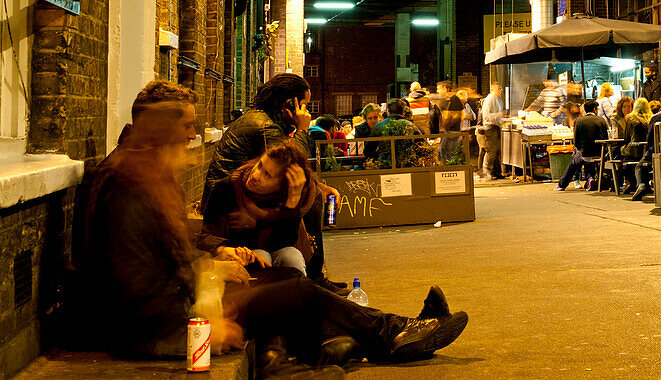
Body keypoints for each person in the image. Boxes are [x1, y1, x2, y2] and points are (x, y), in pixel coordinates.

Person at [79, 80, 468, 376]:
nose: (193, 135)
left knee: (284, 275)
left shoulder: (146, 171)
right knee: (294, 288)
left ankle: (323, 348)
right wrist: (203, 319)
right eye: (187, 126)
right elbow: (134, 285)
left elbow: (168, 256)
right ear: (161, 126)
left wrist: (214, 260)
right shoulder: (129, 183)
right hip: (166, 326)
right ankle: (384, 335)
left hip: (185, 304)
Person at [203, 73, 345, 294]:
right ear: (290, 103)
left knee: (314, 194)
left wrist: (319, 185)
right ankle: (315, 276)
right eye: (303, 105)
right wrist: (303, 129)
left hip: (250, 199)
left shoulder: (264, 119)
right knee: (313, 197)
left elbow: (288, 168)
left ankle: (311, 281)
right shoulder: (264, 125)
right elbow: (287, 163)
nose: (305, 112)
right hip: (235, 201)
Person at [199, 142, 316, 277]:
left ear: (282, 186)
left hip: (277, 253)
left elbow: (285, 242)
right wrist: (232, 246)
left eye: (267, 175)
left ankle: (299, 295)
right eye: (259, 165)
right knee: (261, 255)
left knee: (291, 255)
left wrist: (293, 201)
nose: (255, 175)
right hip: (238, 256)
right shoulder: (227, 188)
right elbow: (207, 236)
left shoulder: (290, 196)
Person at [553, 100, 608, 191]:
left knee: (573, 163)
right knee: (588, 162)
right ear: (595, 109)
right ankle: (590, 179)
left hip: (585, 154)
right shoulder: (602, 120)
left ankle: (561, 185)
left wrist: (580, 150)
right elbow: (606, 137)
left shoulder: (579, 121)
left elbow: (576, 141)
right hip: (600, 154)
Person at [372, 99, 425, 168]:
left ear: (388, 112)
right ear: (403, 114)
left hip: (384, 167)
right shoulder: (411, 126)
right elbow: (423, 147)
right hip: (408, 167)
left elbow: (369, 150)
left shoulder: (378, 126)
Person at [618, 97, 652, 194]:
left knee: (620, 152)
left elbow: (626, 138)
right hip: (648, 150)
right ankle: (643, 183)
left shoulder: (630, 118)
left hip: (634, 150)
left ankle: (630, 182)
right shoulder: (651, 118)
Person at [476, 83, 504, 181]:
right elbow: (487, 116)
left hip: (495, 127)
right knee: (492, 150)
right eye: (498, 89)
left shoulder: (496, 99)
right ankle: (487, 172)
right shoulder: (490, 99)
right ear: (492, 89)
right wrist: (500, 114)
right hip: (490, 128)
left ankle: (495, 171)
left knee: (496, 150)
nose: (500, 91)